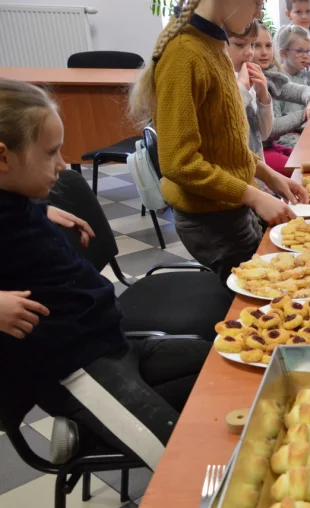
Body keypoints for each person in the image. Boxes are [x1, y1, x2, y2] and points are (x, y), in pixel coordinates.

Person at [0, 79, 209, 467]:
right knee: (181, 468)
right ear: (2, 158)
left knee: (222, 371)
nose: (63, 165)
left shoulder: (17, 197)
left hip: (111, 340)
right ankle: (90, 415)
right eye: (51, 153)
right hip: (74, 370)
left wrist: (40, 211)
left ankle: (88, 425)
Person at [129, 0, 309, 284]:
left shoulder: (213, 45)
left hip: (232, 209)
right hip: (211, 221)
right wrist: (253, 195)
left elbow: (226, 145)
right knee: (262, 302)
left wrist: (270, 176)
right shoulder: (183, 55)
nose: (259, 13)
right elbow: (179, 164)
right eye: (258, 3)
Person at [254, 24, 310, 172]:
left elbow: (305, 91)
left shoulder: (271, 77)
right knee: (303, 172)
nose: (264, 52)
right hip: (257, 154)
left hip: (270, 146)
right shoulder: (250, 81)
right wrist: (305, 114)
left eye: (268, 46)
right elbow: (271, 129)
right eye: (256, 46)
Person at [271, 24, 310, 151]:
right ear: (284, 53)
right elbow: (275, 126)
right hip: (288, 136)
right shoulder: (277, 80)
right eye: (299, 51)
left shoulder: (307, 74)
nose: (305, 56)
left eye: (308, 51)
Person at [224, 19, 273, 158]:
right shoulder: (218, 83)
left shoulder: (245, 77)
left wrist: (263, 97)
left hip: (257, 176)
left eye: (252, 44)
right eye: (240, 44)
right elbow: (224, 125)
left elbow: (263, 134)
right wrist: (242, 88)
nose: (250, 53)